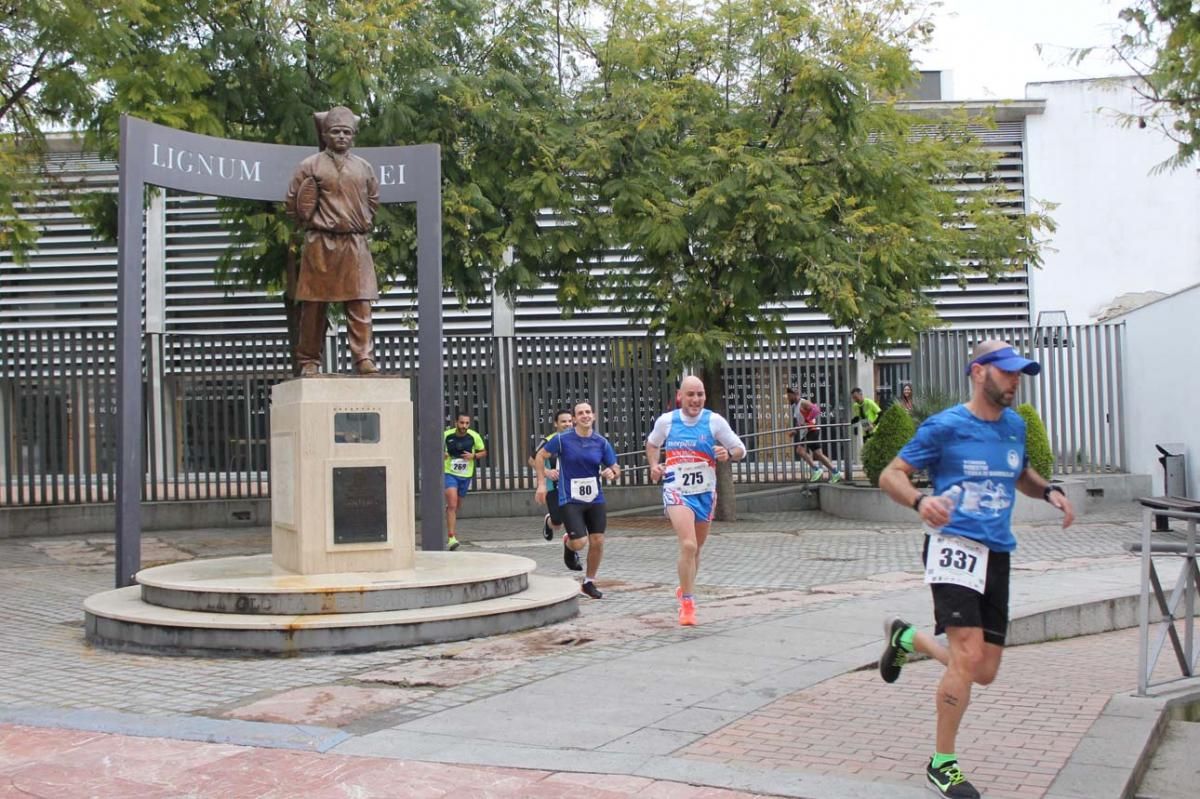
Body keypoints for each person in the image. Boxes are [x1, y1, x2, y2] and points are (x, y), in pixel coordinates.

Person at [876, 340, 1074, 799]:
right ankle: (942, 764)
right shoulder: (945, 426)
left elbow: (1020, 473)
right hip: (953, 548)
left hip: (998, 553)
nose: (1014, 380)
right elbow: (891, 474)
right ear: (979, 372)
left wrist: (1049, 491)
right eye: (1006, 372)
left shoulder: (1015, 427)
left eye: (1019, 373)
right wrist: (922, 501)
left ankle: (908, 639)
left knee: (983, 671)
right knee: (965, 657)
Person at [285, 106, 381, 377]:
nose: (341, 137)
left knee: (360, 303)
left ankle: (363, 357)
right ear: (325, 134)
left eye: (347, 132)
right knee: (314, 307)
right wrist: (311, 220)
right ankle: (308, 360)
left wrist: (360, 221)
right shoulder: (310, 165)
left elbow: (373, 200)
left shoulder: (364, 167)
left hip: (354, 242)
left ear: (353, 136)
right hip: (320, 243)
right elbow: (293, 203)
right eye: (336, 131)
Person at [646, 376, 746, 626]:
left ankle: (684, 587)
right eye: (691, 394)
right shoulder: (667, 421)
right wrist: (653, 466)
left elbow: (740, 449)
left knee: (697, 549)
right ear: (680, 396)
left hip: (704, 492)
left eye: (700, 394)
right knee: (688, 545)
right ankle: (687, 603)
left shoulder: (714, 421)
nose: (696, 399)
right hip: (676, 490)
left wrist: (728, 453)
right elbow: (652, 444)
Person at [533, 401, 619, 599]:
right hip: (570, 498)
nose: (585, 416)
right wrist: (542, 483)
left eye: (588, 412)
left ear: (594, 416)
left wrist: (611, 472)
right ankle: (569, 543)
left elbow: (615, 467)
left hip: (595, 498)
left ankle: (588, 583)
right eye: (581, 413)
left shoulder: (601, 442)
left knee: (597, 541)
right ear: (574, 419)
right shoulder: (563, 440)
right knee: (580, 542)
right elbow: (539, 456)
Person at [443, 412, 486, 551]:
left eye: (467, 423)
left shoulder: (474, 436)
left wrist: (473, 456)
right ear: (456, 422)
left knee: (456, 506)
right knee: (452, 503)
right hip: (450, 473)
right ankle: (451, 538)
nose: (464, 426)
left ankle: (449, 511)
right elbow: (437, 451)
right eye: (462, 423)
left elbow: (483, 452)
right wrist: (443, 455)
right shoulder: (446, 435)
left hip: (465, 475)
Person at [528, 409, 573, 541]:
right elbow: (532, 460)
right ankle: (549, 521)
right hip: (553, 486)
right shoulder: (549, 440)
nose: (567, 424)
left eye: (570, 421)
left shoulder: (576, 439)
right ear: (556, 424)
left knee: (573, 516)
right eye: (563, 421)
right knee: (557, 522)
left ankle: (573, 544)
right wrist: (547, 472)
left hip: (571, 486)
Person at [796, 398, 842, 482]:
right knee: (818, 454)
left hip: (812, 430)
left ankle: (816, 469)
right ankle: (836, 472)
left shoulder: (803, 403)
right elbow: (801, 422)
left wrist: (807, 421)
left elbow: (816, 410)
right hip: (810, 431)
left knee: (800, 450)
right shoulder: (797, 407)